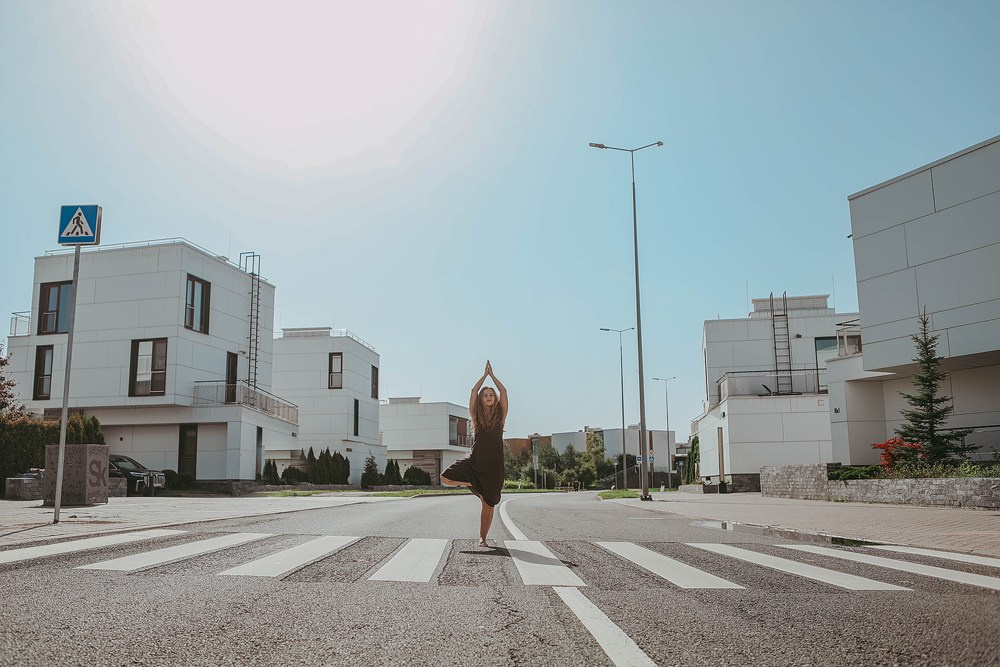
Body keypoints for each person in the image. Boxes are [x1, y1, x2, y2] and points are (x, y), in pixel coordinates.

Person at [440, 360, 508, 547]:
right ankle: (471, 482)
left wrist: (493, 376)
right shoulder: (476, 418)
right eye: (485, 394)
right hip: (475, 462)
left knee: (489, 504)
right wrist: (484, 376)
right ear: (481, 399)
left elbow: (504, 392)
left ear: (494, 399)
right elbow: (472, 392)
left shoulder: (501, 417)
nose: (488, 396)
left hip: (494, 467)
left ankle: (483, 538)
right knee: (445, 477)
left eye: (490, 395)